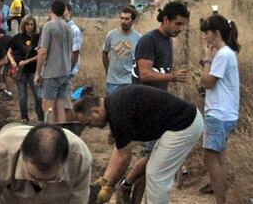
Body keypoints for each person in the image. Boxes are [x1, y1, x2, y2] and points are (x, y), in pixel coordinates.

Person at [74, 85, 203, 204]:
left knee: (157, 175)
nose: (90, 127)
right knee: (154, 173)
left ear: (95, 111)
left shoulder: (117, 111)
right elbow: (119, 150)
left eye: (88, 123)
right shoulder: (113, 106)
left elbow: (124, 157)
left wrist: (109, 187)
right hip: (178, 125)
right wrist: (103, 182)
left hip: (185, 125)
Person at [113, 1, 190, 203]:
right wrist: (172, 77)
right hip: (144, 108)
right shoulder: (149, 40)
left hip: (158, 108)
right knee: (153, 156)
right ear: (166, 20)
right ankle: (125, 185)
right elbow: (145, 74)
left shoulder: (167, 41)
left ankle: (134, 198)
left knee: (153, 159)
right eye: (178, 24)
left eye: (182, 25)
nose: (180, 29)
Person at [0, 123, 92, 204]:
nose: (42, 185)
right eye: (33, 177)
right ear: (23, 155)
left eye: (52, 179)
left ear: (65, 160)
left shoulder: (80, 159)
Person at [199, 15, 240, 204]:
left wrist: (207, 61)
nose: (205, 37)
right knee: (216, 158)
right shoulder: (226, 54)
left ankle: (220, 201)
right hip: (224, 112)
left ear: (216, 33)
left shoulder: (223, 54)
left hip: (219, 113)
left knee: (210, 158)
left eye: (207, 33)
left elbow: (207, 82)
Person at [34, 0, 73, 123]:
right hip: (65, 71)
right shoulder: (68, 27)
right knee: (60, 105)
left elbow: (43, 51)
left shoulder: (49, 26)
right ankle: (62, 132)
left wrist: (37, 73)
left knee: (47, 106)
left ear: (50, 10)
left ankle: (49, 135)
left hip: (51, 72)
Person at [7, 15, 43, 123]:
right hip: (20, 71)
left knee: (37, 96)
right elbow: (9, 52)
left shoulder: (38, 38)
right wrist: (13, 62)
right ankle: (24, 118)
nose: (30, 27)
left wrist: (27, 61)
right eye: (27, 24)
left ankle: (41, 118)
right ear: (24, 25)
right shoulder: (17, 37)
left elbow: (41, 54)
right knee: (22, 96)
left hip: (33, 70)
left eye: (32, 24)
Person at [102, 5, 141, 95]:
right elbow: (104, 53)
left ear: (133, 20)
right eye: (122, 18)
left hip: (129, 81)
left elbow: (139, 60)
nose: (123, 21)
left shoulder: (138, 38)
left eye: (127, 19)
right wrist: (108, 71)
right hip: (113, 81)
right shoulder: (111, 35)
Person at [62, 3, 83, 121]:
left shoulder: (73, 30)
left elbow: (75, 53)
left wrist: (67, 70)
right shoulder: (62, 28)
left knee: (66, 102)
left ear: (69, 12)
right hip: (62, 70)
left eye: (64, 11)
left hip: (67, 72)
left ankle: (70, 125)